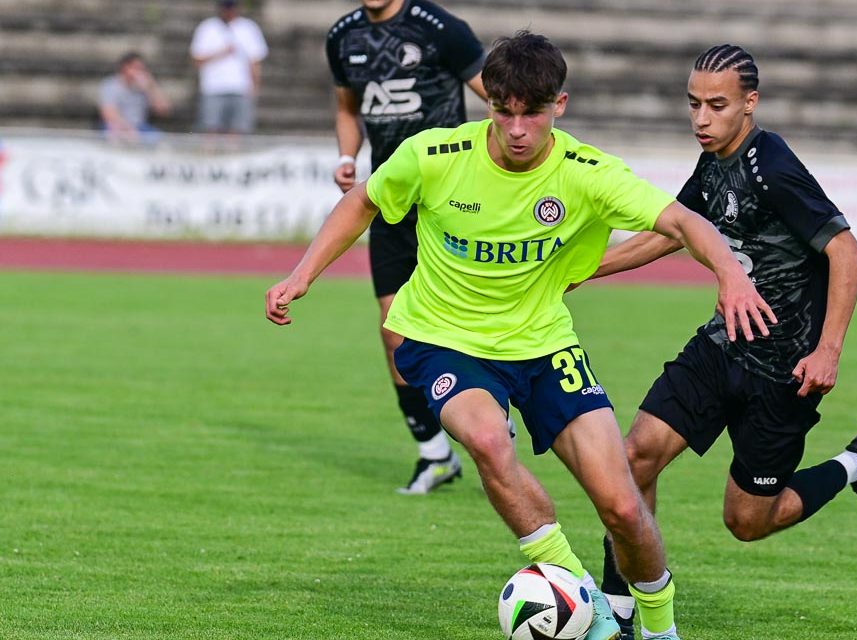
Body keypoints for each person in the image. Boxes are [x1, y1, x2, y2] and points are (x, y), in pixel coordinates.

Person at [266, 30, 776, 640]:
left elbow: (682, 221)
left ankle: (660, 630)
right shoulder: (434, 156)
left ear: (558, 106)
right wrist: (303, 274)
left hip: (543, 346)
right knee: (485, 438)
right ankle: (577, 595)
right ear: (489, 102)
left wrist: (730, 276)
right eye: (503, 111)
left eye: (531, 113)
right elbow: (363, 203)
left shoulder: (588, 174)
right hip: (441, 337)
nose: (516, 128)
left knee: (621, 506)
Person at [589, 44, 857, 640]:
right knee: (633, 457)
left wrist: (828, 349)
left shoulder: (771, 163)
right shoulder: (712, 163)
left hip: (786, 369)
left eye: (717, 105)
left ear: (749, 103)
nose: (701, 119)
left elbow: (846, 251)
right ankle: (620, 609)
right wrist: (577, 272)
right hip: (722, 345)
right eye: (693, 104)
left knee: (749, 521)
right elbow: (671, 231)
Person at [325, 0, 488, 495]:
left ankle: (489, 414)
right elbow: (346, 108)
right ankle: (434, 453)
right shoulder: (343, 37)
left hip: (450, 202)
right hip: (391, 201)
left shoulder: (440, 30)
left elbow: (503, 101)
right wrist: (347, 156)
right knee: (393, 329)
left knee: (468, 320)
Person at [189, 0, 268, 140]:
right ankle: (210, 157)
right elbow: (197, 59)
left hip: (240, 87)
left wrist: (255, 86)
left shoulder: (248, 27)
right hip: (213, 87)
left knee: (237, 130)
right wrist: (221, 53)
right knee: (210, 129)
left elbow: (255, 61)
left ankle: (232, 158)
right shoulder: (207, 27)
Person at [98, 52, 170, 145]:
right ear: (125, 67)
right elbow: (109, 113)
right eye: (136, 68)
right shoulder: (110, 85)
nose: (140, 72)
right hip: (115, 126)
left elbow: (164, 110)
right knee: (115, 137)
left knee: (160, 141)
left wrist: (150, 88)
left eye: (142, 69)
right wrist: (126, 129)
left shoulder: (145, 86)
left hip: (140, 127)